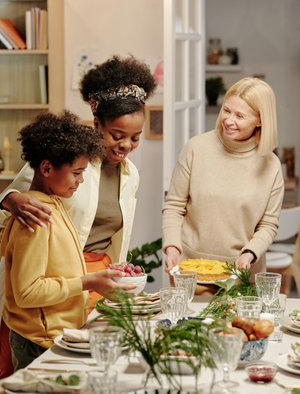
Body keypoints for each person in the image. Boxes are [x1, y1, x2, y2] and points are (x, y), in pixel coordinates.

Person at [0, 55, 156, 309]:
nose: (126, 145)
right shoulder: (64, 162)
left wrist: (120, 270)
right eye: (117, 136)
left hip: (100, 281)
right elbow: (14, 197)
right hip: (55, 280)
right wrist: (10, 199)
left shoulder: (131, 175)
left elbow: (114, 238)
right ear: (97, 124)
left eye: (135, 138)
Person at [1, 110, 137, 371]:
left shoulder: (55, 203)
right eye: (76, 173)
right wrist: (87, 281)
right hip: (37, 341)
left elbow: (59, 267)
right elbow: (27, 293)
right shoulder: (36, 217)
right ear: (46, 168)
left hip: (53, 334)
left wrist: (102, 273)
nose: (81, 180)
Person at [162, 77, 284, 294]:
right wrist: (172, 247)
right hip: (191, 275)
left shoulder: (270, 165)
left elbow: (268, 224)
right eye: (226, 111)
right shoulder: (196, 148)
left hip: (241, 278)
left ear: (260, 121)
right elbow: (174, 206)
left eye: (240, 116)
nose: (228, 120)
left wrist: (249, 254)